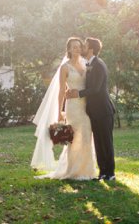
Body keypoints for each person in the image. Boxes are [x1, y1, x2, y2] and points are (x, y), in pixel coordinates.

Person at [31, 37, 95, 179]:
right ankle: (73, 171)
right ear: (69, 49)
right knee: (74, 138)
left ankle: (87, 171)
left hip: (86, 105)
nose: (77, 49)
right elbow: (61, 91)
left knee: (86, 136)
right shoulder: (65, 67)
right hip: (73, 106)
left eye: (79, 46)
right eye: (74, 47)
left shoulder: (86, 64)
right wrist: (60, 112)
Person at [67, 36, 116, 181]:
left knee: (106, 142)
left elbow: (96, 89)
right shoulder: (89, 64)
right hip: (94, 112)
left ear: (91, 49)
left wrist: (78, 93)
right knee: (99, 143)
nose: (82, 48)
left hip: (104, 111)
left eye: (85, 46)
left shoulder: (99, 64)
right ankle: (102, 173)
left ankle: (110, 173)